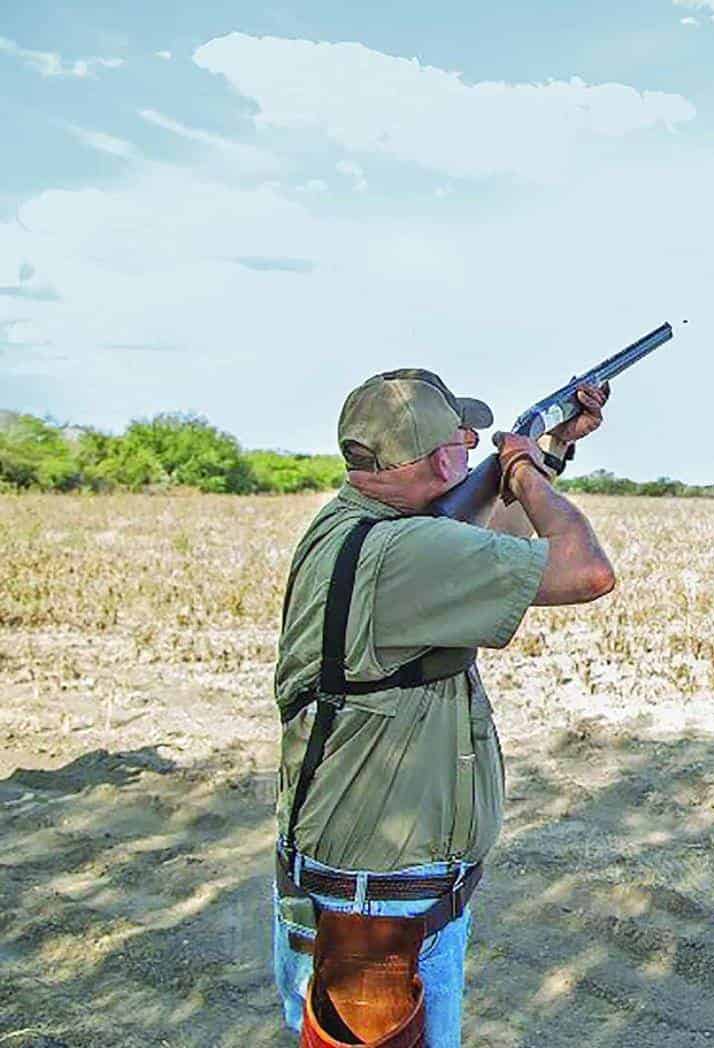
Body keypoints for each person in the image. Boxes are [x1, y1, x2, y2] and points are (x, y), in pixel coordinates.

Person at [271, 367, 614, 1046]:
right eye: (465, 435)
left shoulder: (355, 525)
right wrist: (519, 471)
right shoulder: (406, 551)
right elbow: (586, 570)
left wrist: (551, 449)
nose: (472, 442)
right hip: (380, 910)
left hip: (362, 887)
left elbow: (488, 545)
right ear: (440, 460)